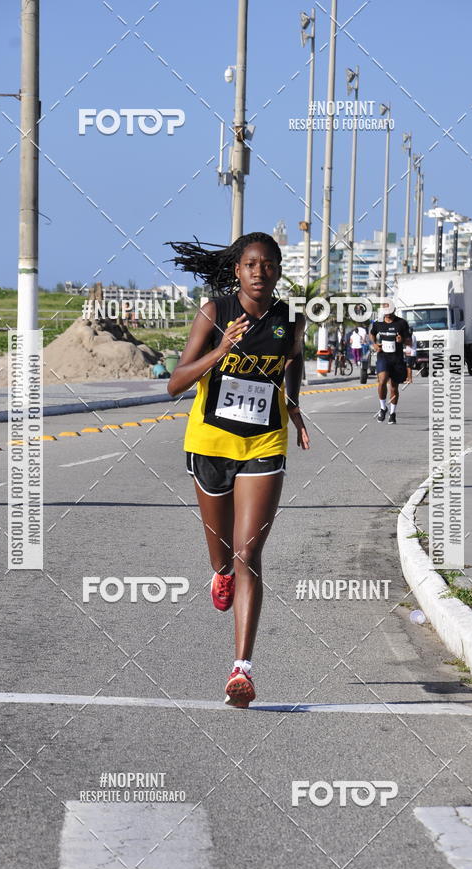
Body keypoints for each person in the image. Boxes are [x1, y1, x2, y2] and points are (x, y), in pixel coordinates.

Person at [167, 233, 310, 707]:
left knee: (249, 552)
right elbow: (175, 383)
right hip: (210, 443)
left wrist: (293, 405)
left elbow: (293, 361)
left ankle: (241, 669)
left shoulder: (291, 318)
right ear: (237, 270)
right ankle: (220, 572)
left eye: (268, 264)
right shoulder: (215, 312)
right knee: (224, 556)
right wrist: (221, 350)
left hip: (264, 442)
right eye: (251, 264)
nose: (259, 272)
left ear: (279, 270)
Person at [370, 303, 411, 424]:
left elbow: (409, 342)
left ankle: (392, 413)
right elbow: (372, 334)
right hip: (383, 356)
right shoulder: (378, 323)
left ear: (394, 310)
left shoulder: (401, 323)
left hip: (397, 358)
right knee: (382, 381)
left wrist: (402, 340)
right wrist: (374, 344)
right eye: (385, 311)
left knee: (393, 387)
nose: (387, 313)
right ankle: (383, 408)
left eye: (390, 311)